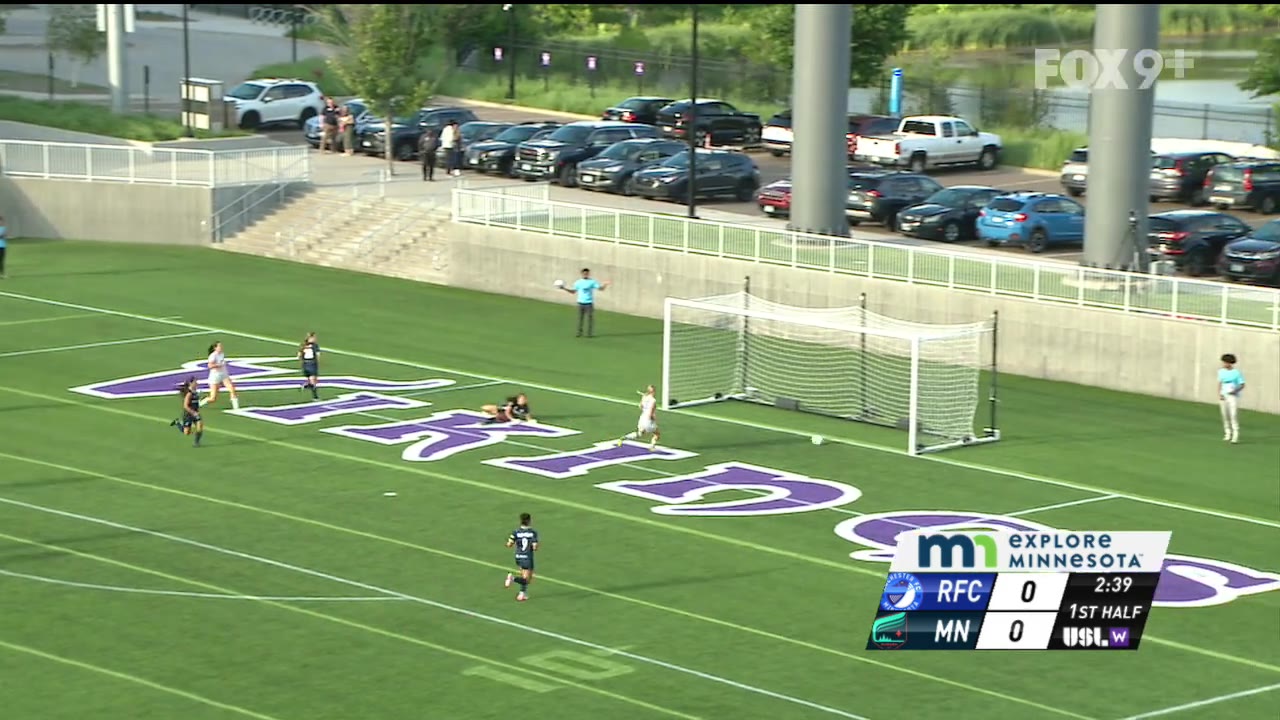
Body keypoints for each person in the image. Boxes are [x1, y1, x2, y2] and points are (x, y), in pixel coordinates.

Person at [559, 267, 611, 338]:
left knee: (590, 318)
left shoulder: (592, 282)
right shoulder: (578, 282)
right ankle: (579, 332)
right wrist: (564, 288)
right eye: (584, 273)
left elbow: (600, 289)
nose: (585, 275)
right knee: (580, 318)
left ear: (588, 274)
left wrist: (605, 284)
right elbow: (573, 292)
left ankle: (589, 333)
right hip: (580, 303)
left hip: (589, 303)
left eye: (587, 273)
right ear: (582, 274)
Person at [504, 512, 539, 602]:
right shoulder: (532, 533)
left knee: (524, 575)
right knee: (527, 580)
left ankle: (522, 594)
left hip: (518, 556)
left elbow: (509, 544)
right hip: (527, 557)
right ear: (529, 521)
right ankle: (512, 578)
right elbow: (535, 547)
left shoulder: (516, 532)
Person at [617, 384, 661, 450]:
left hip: (642, 418)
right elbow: (651, 412)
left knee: (639, 434)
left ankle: (624, 438)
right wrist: (653, 418)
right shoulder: (653, 400)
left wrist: (643, 400)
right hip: (648, 420)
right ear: (653, 391)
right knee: (657, 433)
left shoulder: (644, 397)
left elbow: (640, 406)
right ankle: (652, 446)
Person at [200, 341, 240, 410]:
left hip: (224, 374)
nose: (221, 347)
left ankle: (236, 407)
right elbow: (210, 366)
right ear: (215, 348)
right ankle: (199, 403)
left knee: (232, 389)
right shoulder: (213, 356)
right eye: (219, 346)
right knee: (213, 398)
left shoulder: (221, 354)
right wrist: (219, 365)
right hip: (215, 377)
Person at [1218, 353, 1245, 444]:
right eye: (1224, 362)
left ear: (1230, 363)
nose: (1224, 364)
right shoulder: (1221, 371)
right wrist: (1220, 393)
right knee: (1224, 414)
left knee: (1233, 414)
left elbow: (1242, 384)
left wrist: (1235, 391)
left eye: (1226, 362)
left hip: (1232, 395)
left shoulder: (1236, 373)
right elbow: (1220, 383)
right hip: (1224, 393)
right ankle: (1227, 433)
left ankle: (1235, 435)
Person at [170, 377, 205, 447]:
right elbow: (185, 406)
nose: (197, 383)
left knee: (200, 425)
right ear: (190, 383)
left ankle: (196, 442)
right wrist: (193, 412)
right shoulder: (189, 394)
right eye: (195, 382)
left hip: (195, 413)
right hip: (188, 414)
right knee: (186, 432)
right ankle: (177, 423)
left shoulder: (196, 392)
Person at [298, 332, 321, 400]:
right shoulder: (315, 346)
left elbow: (299, 355)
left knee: (312, 381)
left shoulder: (303, 345)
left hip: (305, 364)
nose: (315, 339)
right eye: (314, 337)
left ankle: (307, 386)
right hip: (312, 364)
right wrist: (317, 363)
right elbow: (318, 355)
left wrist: (303, 361)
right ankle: (315, 397)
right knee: (314, 381)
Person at [0, 213, 7, 279]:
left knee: (2, 260)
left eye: (2, 221)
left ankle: (2, 273)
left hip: (3, 246)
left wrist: (3, 236)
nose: (1, 222)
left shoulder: (4, 228)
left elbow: (4, 236)